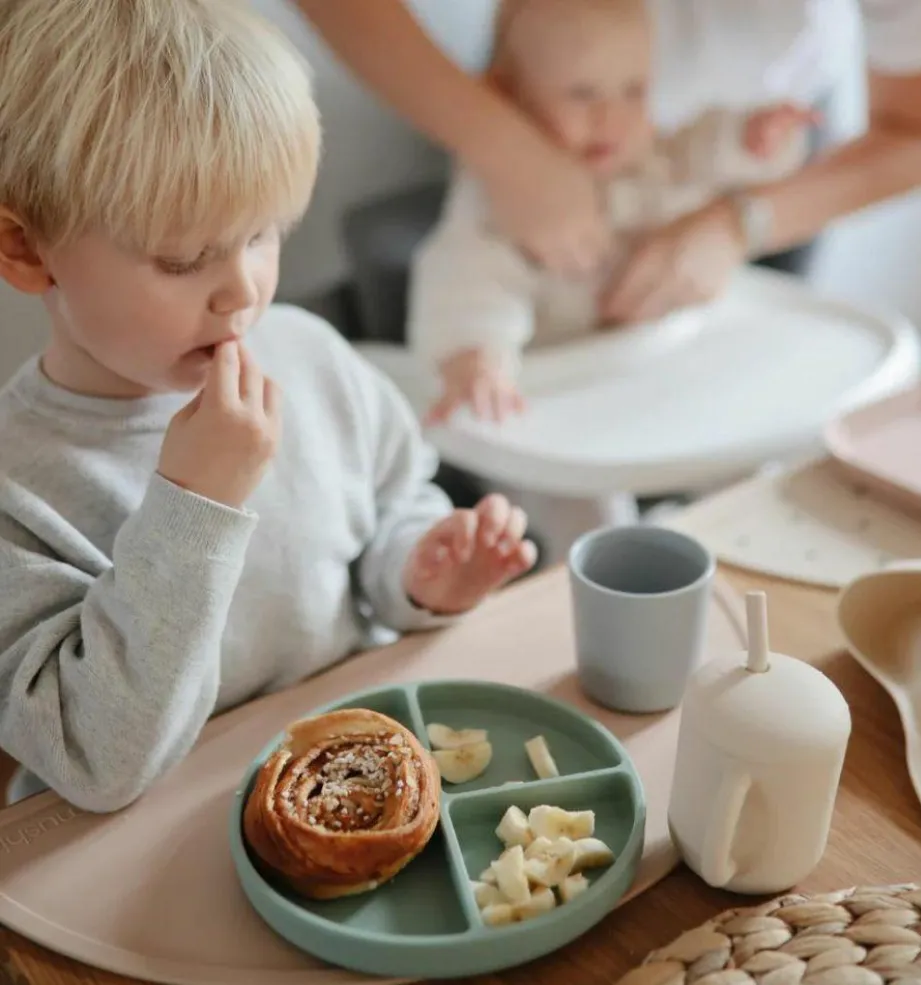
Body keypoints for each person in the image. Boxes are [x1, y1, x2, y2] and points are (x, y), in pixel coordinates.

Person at [0, 0, 536, 812]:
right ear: (27, 248)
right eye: (184, 258)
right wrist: (196, 504)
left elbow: (391, 510)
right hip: (143, 854)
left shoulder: (310, 355)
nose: (244, 291)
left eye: (264, 234)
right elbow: (94, 759)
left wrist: (422, 573)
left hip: (354, 782)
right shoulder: (19, 486)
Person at [295, 0, 921, 317]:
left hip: (754, 165)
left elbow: (914, 136)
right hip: (537, 134)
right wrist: (505, 148)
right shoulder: (518, 132)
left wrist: (739, 221)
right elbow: (466, 289)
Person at [407, 0, 819, 423]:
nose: (611, 117)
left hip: (660, 368)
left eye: (633, 91)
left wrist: (755, 139)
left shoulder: (659, 156)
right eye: (582, 94)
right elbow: (468, 275)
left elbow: (709, 152)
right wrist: (476, 353)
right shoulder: (503, 199)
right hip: (557, 389)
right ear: (509, 95)